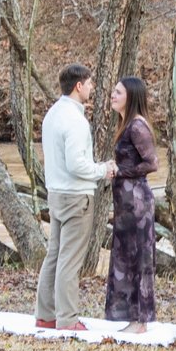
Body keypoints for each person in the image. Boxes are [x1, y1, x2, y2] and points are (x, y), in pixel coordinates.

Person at [36, 63, 113, 331]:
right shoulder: (76, 121)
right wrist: (103, 170)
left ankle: (45, 314)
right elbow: (77, 164)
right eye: (89, 84)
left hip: (55, 194)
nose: (92, 88)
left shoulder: (52, 115)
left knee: (54, 256)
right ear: (78, 86)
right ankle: (67, 319)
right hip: (76, 197)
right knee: (69, 261)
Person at [103, 76, 159, 332]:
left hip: (137, 203)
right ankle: (132, 318)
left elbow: (152, 163)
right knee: (125, 258)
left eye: (118, 92)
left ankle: (140, 321)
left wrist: (121, 171)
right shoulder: (125, 124)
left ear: (131, 96)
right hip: (125, 203)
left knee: (138, 258)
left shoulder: (137, 126)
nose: (113, 96)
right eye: (113, 92)